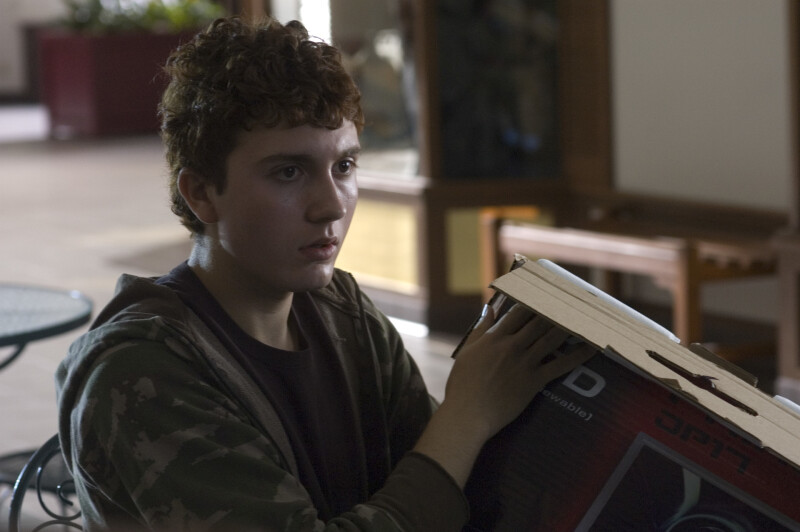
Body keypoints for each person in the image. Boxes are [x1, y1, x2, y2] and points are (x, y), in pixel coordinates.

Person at [55, 16, 592, 531]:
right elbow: (445, 456)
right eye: (289, 172)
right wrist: (468, 413)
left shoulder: (340, 309)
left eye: (344, 166)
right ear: (201, 193)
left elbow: (451, 481)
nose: (331, 206)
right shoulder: (142, 372)